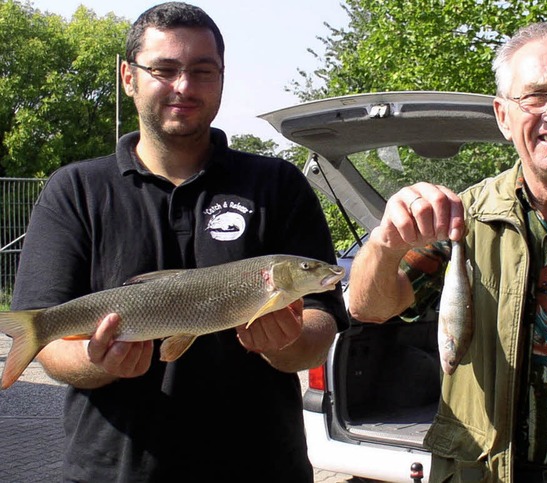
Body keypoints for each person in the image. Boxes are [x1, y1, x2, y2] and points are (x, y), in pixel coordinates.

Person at [11, 3, 347, 482]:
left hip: (261, 467)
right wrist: (94, 359)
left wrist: (287, 342)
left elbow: (321, 321)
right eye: (164, 70)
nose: (184, 87)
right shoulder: (75, 190)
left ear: (222, 78)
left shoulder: (278, 183)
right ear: (128, 76)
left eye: (202, 71)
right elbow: (50, 342)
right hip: (112, 472)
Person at [348, 21, 547, 482]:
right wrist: (385, 245)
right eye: (535, 96)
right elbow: (370, 308)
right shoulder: (462, 218)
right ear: (503, 116)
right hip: (486, 472)